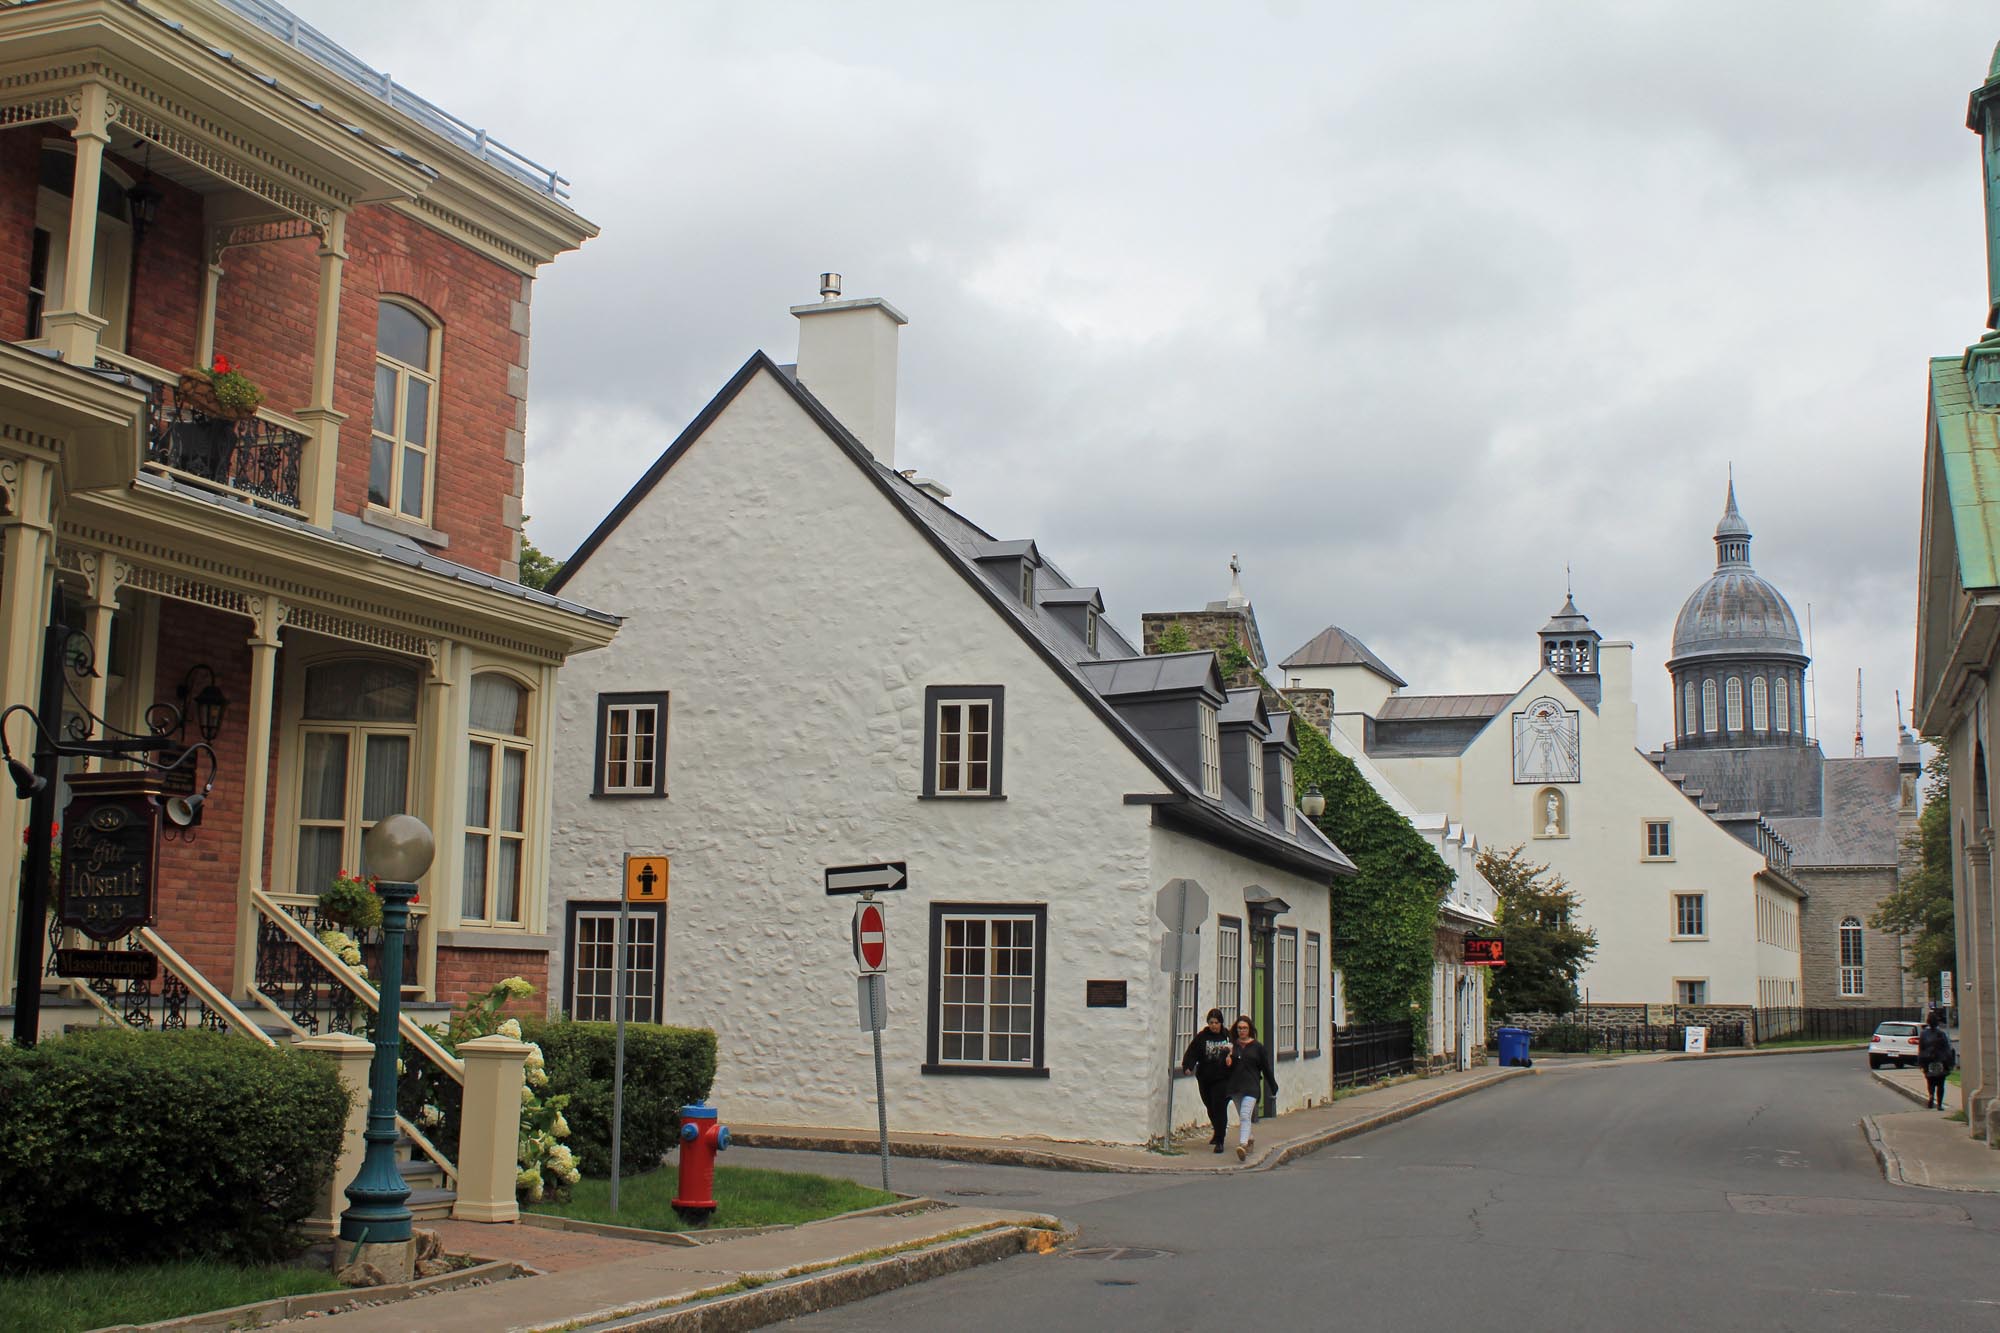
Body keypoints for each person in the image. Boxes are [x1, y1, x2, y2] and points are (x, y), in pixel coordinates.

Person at [1224, 1014, 1277, 1162]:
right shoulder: (1232, 1047)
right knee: (1243, 1115)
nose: (1242, 1031)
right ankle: (1250, 1137)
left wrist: (1272, 1085)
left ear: (1250, 1029)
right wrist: (1227, 1060)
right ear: (1236, 1030)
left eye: (1245, 1028)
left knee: (1245, 1115)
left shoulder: (1257, 1047)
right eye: (1240, 1028)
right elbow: (1226, 1070)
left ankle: (1242, 1145)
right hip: (1236, 1087)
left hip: (1252, 1087)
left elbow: (1265, 1068)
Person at [1181, 1008, 1234, 1153]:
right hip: (1205, 1078)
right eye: (1211, 1022)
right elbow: (1193, 1052)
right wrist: (1188, 1066)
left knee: (1219, 1107)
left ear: (1221, 1023)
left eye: (1216, 1022)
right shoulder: (1202, 1037)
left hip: (1222, 1078)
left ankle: (1220, 1140)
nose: (1214, 1025)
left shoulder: (1227, 1036)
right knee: (1210, 1106)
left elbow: (1236, 1054)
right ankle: (1217, 1132)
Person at [1919, 1012, 1954, 1110]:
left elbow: (1921, 1049)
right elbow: (1947, 1049)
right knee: (1940, 1084)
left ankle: (1931, 1095)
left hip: (1928, 1061)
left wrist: (1921, 1063)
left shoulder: (1924, 1034)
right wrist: (1950, 1063)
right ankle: (1939, 1104)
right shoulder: (1941, 1034)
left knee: (1930, 1082)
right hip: (1940, 1061)